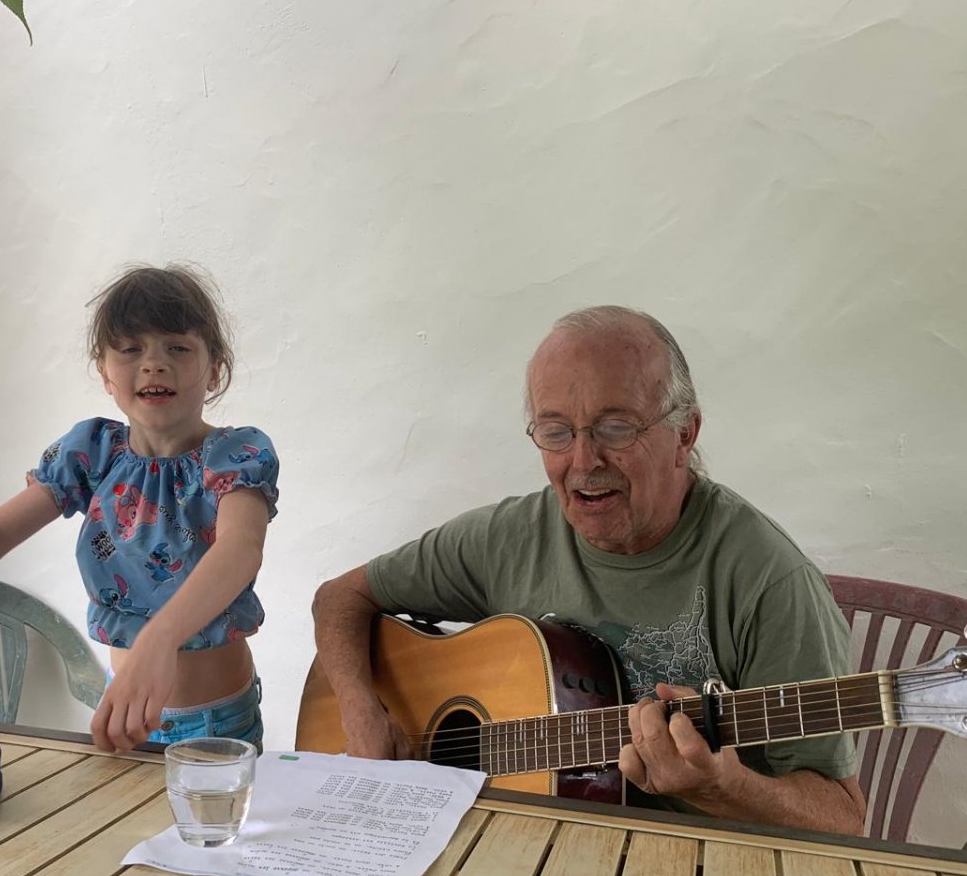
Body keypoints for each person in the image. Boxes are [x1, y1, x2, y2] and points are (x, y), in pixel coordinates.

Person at [311, 305, 865, 834]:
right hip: (517, 855)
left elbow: (844, 819)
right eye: (556, 432)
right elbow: (340, 598)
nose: (583, 461)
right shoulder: (513, 536)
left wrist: (724, 789)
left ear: (685, 435)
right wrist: (363, 710)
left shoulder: (770, 582)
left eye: (615, 428)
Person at [0, 264, 279, 753]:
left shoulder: (235, 456)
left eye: (178, 348)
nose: (154, 364)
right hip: (122, 717)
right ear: (105, 373)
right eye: (131, 349)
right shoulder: (93, 453)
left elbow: (240, 549)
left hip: (218, 722)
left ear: (214, 368)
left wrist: (159, 639)